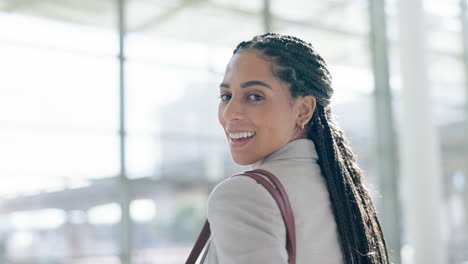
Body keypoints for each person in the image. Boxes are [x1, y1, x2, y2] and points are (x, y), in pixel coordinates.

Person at [202, 33, 389, 263]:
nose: (230, 113)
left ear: (303, 110)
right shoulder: (340, 190)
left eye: (254, 96)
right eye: (226, 96)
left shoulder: (243, 195)